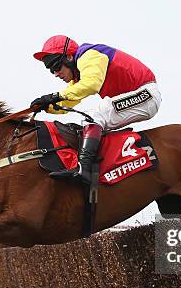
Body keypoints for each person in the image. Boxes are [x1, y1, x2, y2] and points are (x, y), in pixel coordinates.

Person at [31, 35, 161, 184]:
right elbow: (69, 100)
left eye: (56, 67)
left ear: (68, 57)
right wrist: (47, 106)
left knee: (95, 116)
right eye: (51, 70)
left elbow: (91, 85)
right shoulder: (79, 73)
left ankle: (84, 169)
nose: (55, 74)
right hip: (140, 96)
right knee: (91, 118)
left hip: (146, 95)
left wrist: (54, 96)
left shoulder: (89, 55)